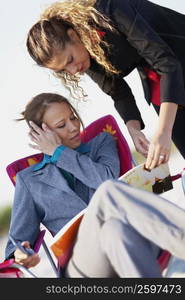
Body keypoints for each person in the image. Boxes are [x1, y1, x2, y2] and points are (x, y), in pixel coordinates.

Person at [26, 0, 185, 170]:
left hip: (174, 57)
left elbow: (167, 63)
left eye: (70, 60)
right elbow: (118, 92)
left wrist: (163, 132)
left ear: (73, 35)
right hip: (159, 77)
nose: (73, 71)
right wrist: (134, 130)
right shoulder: (84, 56)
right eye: (64, 70)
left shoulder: (112, 9)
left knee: (166, 128)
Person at [5, 92, 120, 269]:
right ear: (40, 134)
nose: (74, 127)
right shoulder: (29, 180)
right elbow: (16, 244)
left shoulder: (102, 142)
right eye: (61, 125)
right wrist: (21, 255)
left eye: (73, 118)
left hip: (119, 236)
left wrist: (59, 152)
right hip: (80, 261)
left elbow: (107, 180)